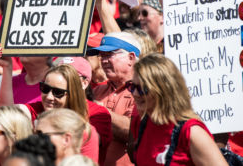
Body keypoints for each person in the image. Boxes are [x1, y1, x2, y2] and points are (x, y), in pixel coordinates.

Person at [0, 47, 99, 163]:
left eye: (58, 92)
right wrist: (7, 68)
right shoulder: (37, 108)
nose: (49, 97)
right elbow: (6, 114)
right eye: (45, 88)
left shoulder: (87, 130)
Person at [130, 53, 228, 166]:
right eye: (132, 87)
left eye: (143, 89)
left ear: (163, 90)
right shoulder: (141, 123)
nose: (135, 93)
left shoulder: (191, 132)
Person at [87, 32, 141, 166]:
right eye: (102, 56)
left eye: (109, 54)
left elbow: (131, 132)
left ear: (131, 57)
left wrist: (97, 110)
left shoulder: (143, 92)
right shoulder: (97, 91)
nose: (103, 61)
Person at [54, 57, 112, 165]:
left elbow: (89, 141)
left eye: (70, 78)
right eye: (59, 75)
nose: (61, 80)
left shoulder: (98, 113)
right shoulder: (49, 104)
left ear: (84, 83)